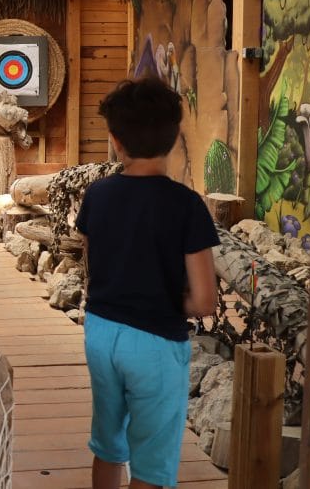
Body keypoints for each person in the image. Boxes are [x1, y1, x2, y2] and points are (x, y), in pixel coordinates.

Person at [74, 76, 219, 489]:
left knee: (107, 442)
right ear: (175, 139)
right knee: (152, 463)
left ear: (116, 141)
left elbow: (92, 262)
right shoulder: (187, 205)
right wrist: (170, 301)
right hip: (155, 343)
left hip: (101, 332)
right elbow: (205, 300)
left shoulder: (97, 195)